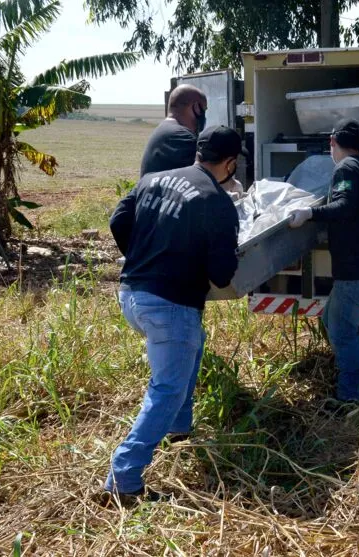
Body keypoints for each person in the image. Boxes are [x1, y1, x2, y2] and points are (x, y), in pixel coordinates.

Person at [103, 126, 247, 506]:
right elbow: (221, 274)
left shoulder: (153, 178)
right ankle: (124, 478)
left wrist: (143, 256)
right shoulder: (216, 202)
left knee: (192, 349)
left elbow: (118, 219)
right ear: (230, 163)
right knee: (167, 388)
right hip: (169, 305)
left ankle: (179, 431)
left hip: (131, 294)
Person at [288, 119, 359, 402]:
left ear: (333, 142)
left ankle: (350, 398)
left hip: (357, 269)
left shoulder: (345, 168)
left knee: (342, 331)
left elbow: (344, 206)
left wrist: (309, 213)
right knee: (330, 320)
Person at [140, 84, 246, 196]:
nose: (204, 117)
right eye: (204, 110)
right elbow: (206, 176)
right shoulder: (182, 137)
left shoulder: (165, 130)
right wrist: (232, 184)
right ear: (196, 108)